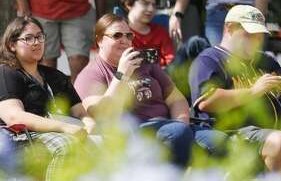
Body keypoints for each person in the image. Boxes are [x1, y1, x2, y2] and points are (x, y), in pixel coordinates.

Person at [75, 14, 224, 167]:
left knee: (222, 141)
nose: (125, 41)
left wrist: (182, 125)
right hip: (138, 132)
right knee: (178, 133)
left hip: (172, 126)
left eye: (129, 35)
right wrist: (122, 74)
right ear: (99, 40)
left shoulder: (144, 64)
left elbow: (176, 99)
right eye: (117, 35)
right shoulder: (90, 74)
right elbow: (101, 112)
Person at [190, 5, 281, 175]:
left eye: (259, 36)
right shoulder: (209, 59)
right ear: (229, 28)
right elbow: (207, 102)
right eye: (249, 34)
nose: (255, 40)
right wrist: (253, 91)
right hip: (235, 135)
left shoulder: (266, 61)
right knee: (279, 142)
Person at [0, 16, 90, 181]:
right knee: (66, 145)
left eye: (40, 37)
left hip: (52, 135)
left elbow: (80, 113)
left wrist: (91, 128)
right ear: (12, 45)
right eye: (28, 38)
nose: (36, 42)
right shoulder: (4, 74)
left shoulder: (55, 76)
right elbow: (14, 117)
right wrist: (64, 127)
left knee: (102, 143)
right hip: (13, 142)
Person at [121, 0, 174, 66]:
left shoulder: (160, 32)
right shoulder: (120, 34)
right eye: (145, 3)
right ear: (129, 4)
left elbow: (170, 59)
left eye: (154, 5)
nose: (151, 9)